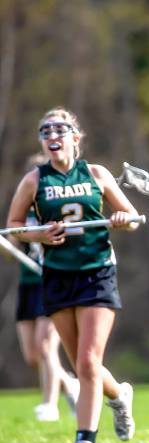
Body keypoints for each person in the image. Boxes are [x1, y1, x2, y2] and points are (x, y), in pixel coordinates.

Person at [7, 107, 139, 443]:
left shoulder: (96, 174)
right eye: (45, 130)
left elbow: (130, 218)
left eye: (60, 129)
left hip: (97, 272)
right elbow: (14, 226)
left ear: (75, 137)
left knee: (88, 361)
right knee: (84, 367)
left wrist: (122, 219)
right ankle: (119, 397)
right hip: (58, 276)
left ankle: (85, 442)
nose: (52, 135)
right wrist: (38, 233)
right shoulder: (34, 180)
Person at [1, 154, 80, 422]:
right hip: (28, 284)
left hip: (52, 280)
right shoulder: (21, 215)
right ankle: (70, 385)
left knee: (46, 345)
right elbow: (14, 252)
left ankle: (50, 404)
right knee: (33, 355)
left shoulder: (55, 209)